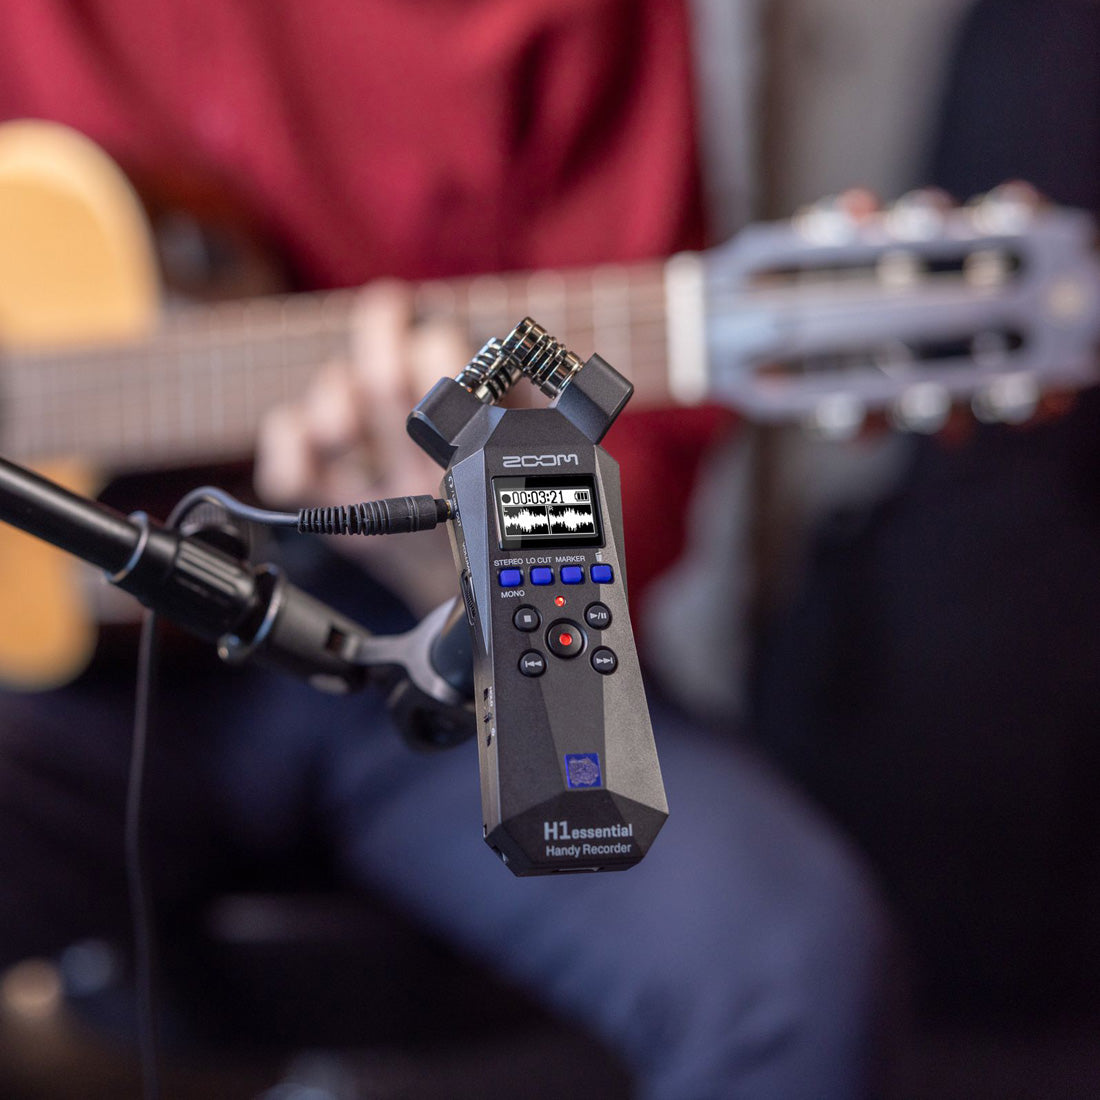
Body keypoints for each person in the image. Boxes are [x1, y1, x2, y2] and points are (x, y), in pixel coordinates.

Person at [0, 3, 892, 1097]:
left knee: (787, 970)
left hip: (458, 644)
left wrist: (484, 530)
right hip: (66, 672)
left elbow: (644, 487)